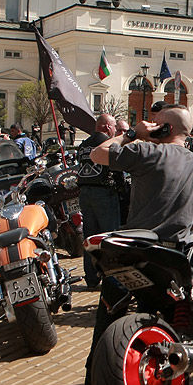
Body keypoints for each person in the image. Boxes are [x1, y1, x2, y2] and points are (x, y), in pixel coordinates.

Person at [84, 105, 193, 385]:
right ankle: (163, 384)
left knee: (109, 314)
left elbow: (98, 153)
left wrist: (133, 133)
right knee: (166, 322)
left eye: (156, 124)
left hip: (135, 250)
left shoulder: (148, 153)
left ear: (164, 129)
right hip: (172, 259)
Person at [75, 112, 122, 288]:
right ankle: (112, 278)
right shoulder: (107, 144)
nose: (115, 130)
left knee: (90, 237)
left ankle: (91, 278)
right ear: (108, 127)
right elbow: (116, 168)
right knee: (109, 237)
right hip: (104, 192)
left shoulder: (83, 145)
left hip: (85, 193)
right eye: (114, 127)